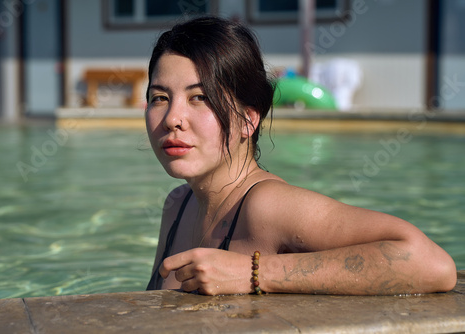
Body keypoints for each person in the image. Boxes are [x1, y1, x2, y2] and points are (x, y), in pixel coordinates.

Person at [145, 16, 456, 295]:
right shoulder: (177, 205)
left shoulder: (266, 206)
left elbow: (430, 263)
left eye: (199, 97)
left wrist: (254, 273)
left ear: (247, 120)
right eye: (160, 98)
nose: (173, 118)